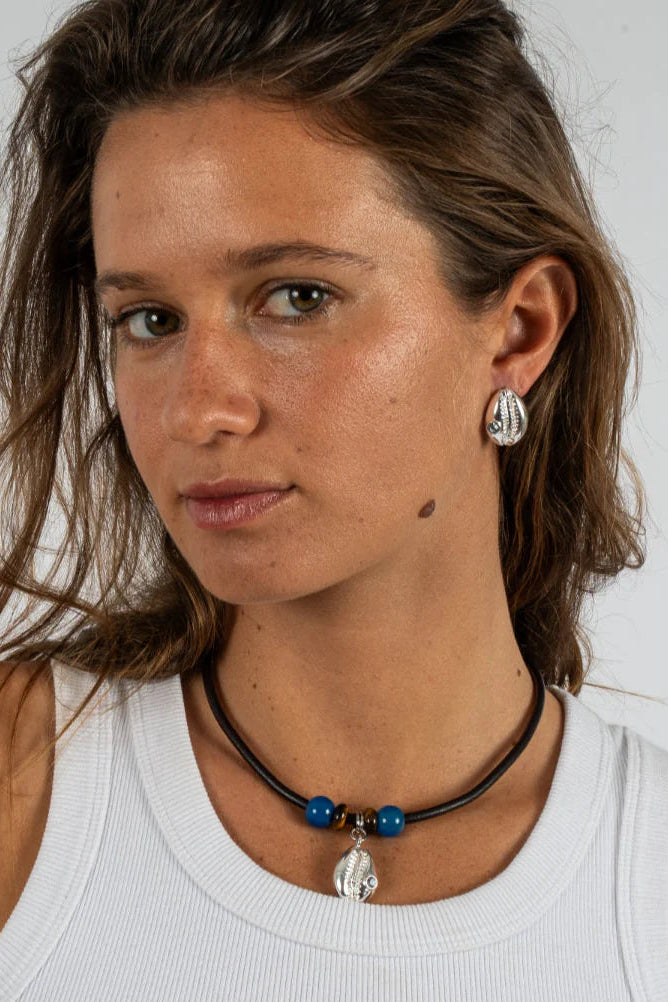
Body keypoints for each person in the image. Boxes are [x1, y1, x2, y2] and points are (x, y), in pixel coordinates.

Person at [0, 0, 666, 998]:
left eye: (296, 297)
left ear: (519, 331)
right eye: (147, 319)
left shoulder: (642, 876)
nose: (198, 410)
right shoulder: (24, 789)